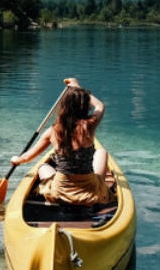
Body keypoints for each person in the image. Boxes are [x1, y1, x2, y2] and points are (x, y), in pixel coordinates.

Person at [10, 78, 114, 206]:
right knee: (101, 152)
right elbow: (99, 106)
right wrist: (77, 87)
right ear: (86, 108)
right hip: (89, 193)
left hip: (60, 193)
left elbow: (27, 157)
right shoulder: (89, 126)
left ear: (64, 107)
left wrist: (16, 159)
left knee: (43, 167)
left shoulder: (52, 131)